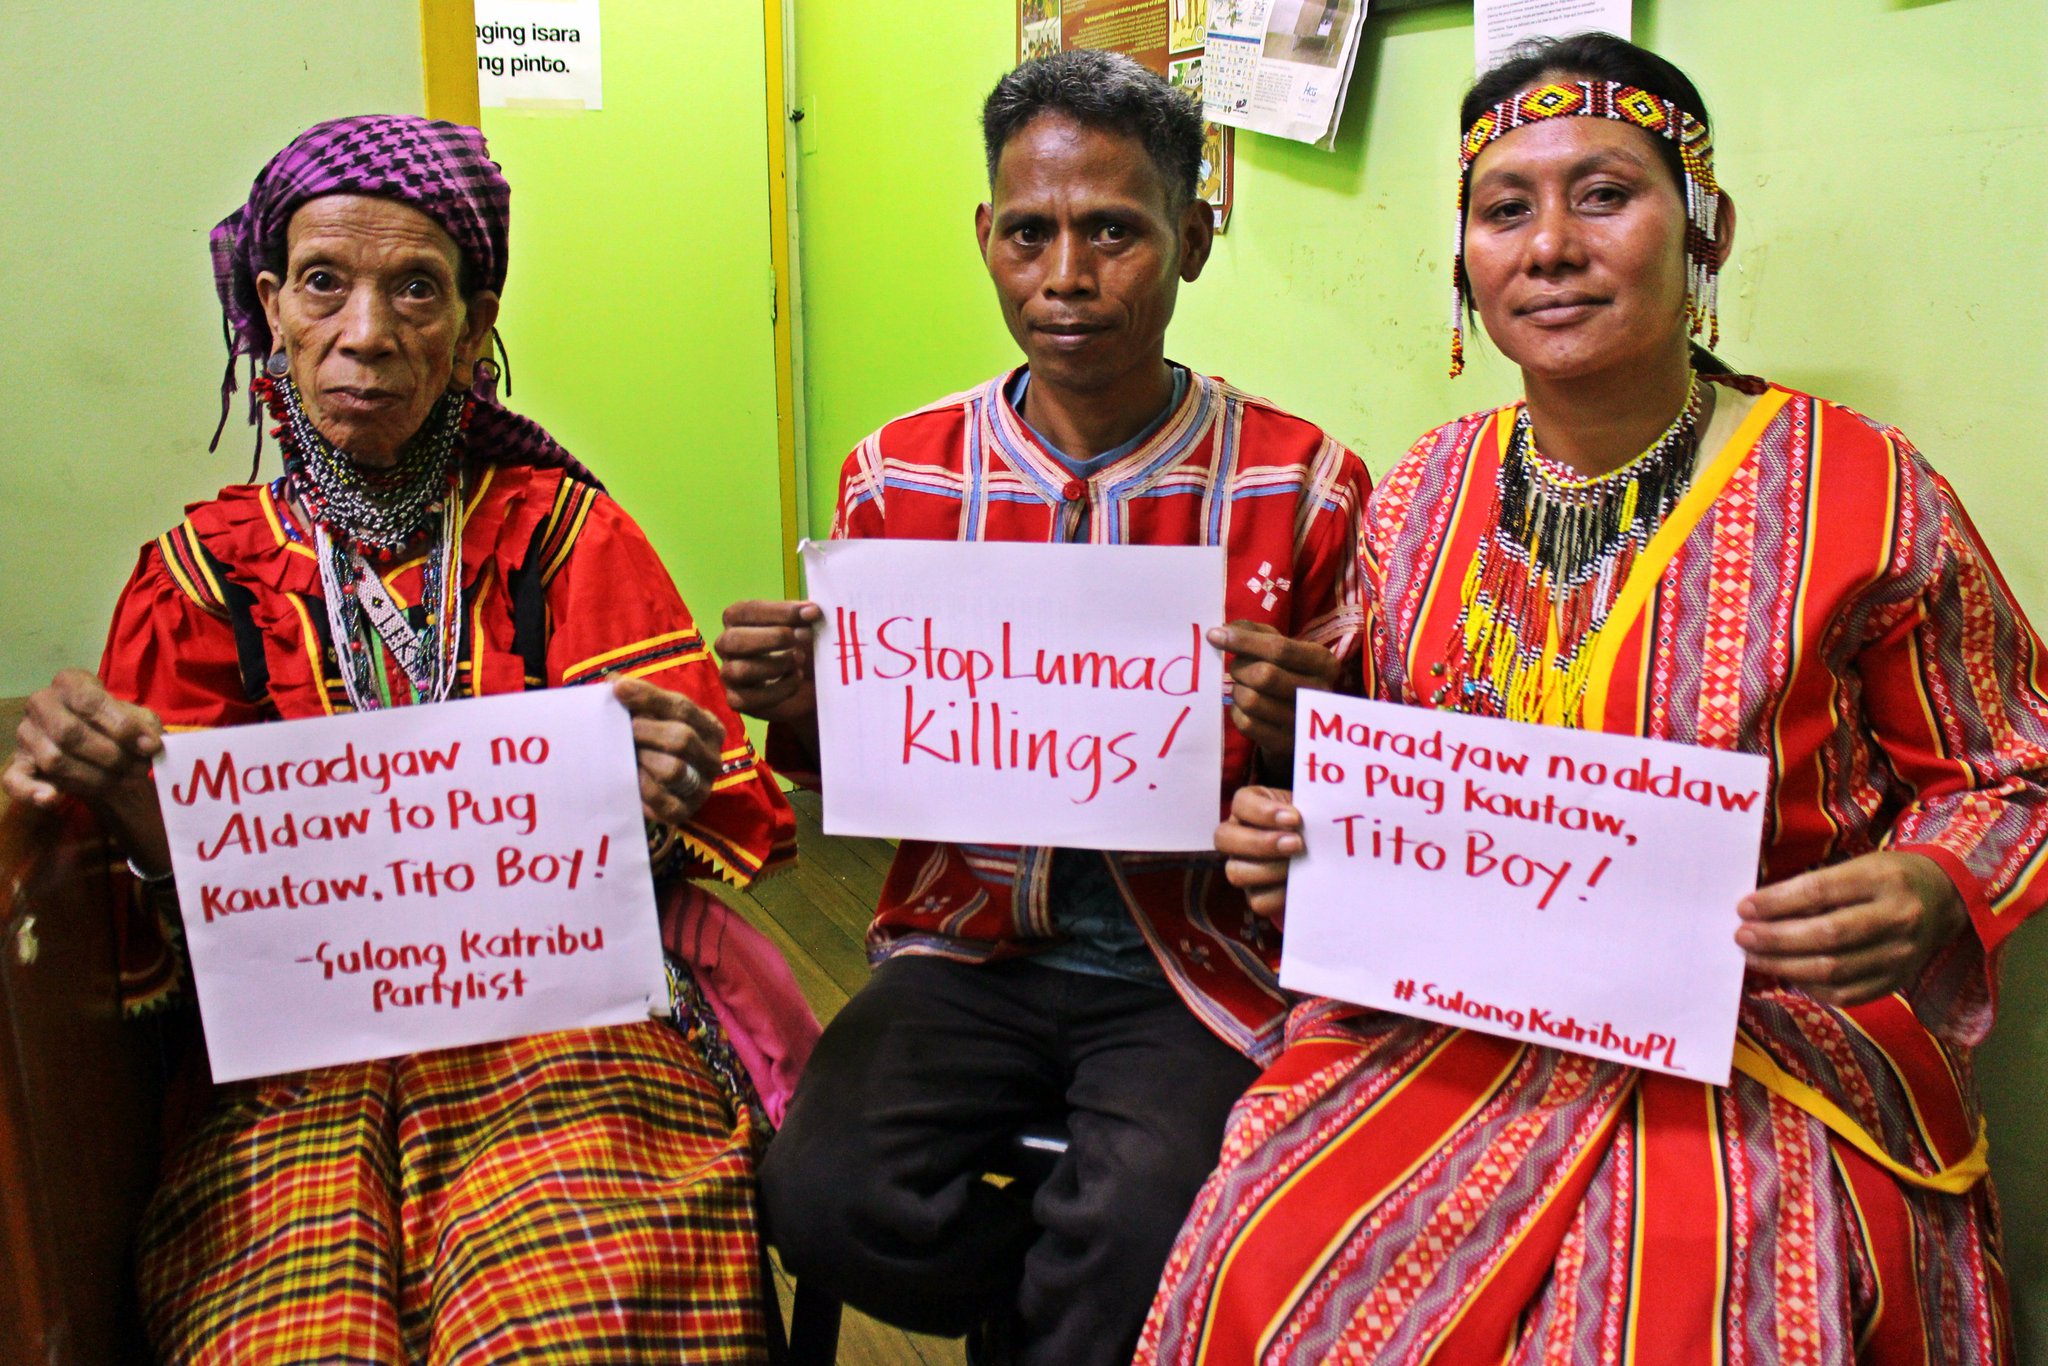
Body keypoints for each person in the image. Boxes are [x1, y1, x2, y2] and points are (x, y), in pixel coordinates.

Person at [1139, 34, 2044, 1365]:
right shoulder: (1425, 492)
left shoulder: (1864, 488)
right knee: (1262, 1256)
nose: (1549, 245)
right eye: (1505, 208)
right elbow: (1392, 772)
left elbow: (2007, 766)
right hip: (1450, 1014)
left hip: (1756, 1038)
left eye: (1606, 193)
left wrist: (1927, 888)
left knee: (1687, 1315)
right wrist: (1303, 836)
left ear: (1704, 228)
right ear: (1465, 261)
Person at [2, 116, 801, 1364]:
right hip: (292, 1063)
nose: (367, 333)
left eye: (416, 289)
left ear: (476, 327)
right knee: (296, 1333)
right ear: (270, 306)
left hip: (568, 1037)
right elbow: (164, 943)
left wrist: (659, 795)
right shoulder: (204, 579)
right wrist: (133, 808)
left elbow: (674, 853)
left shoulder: (564, 539)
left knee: (568, 1324)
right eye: (325, 282)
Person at [716, 50, 1369, 1364]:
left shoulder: (1304, 480)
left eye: (1115, 231)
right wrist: (792, 708)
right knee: (823, 1193)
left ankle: (1087, 1304)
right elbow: (851, 758)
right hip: (966, 948)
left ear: (1193, 236)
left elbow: (1364, 785)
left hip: (1201, 969)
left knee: (1142, 1219)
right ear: (987, 238)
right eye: (1031, 231)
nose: (1066, 275)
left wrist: (1318, 719)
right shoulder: (898, 473)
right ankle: (1049, 1314)